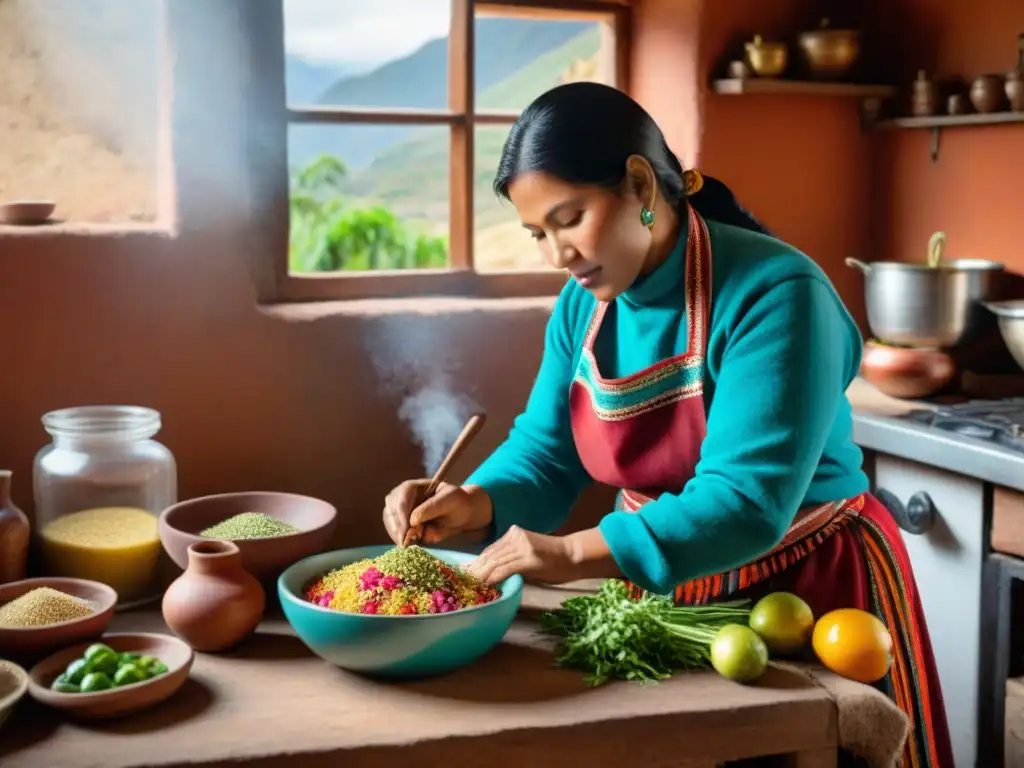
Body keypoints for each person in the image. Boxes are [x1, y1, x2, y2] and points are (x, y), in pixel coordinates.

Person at [381, 82, 952, 768]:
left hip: (810, 589)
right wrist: (475, 500)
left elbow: (744, 504)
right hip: (661, 586)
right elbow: (546, 451)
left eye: (571, 217)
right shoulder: (581, 304)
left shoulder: (778, 294)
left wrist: (567, 555)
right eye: (538, 232)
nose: (556, 253)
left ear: (641, 183)